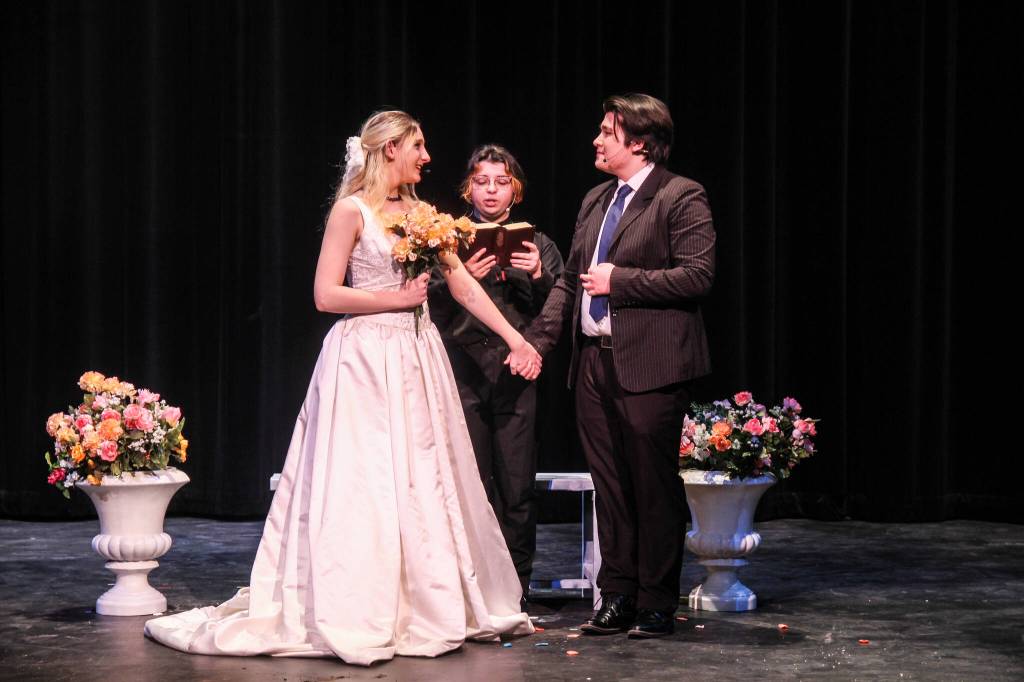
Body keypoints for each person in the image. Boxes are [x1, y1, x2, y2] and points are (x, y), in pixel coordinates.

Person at [145, 110, 540, 666]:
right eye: (418, 147)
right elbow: (326, 296)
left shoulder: (425, 214)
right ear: (388, 151)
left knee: (422, 476)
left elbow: (463, 285)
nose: (427, 157)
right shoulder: (350, 212)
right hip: (362, 357)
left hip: (416, 355)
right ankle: (359, 602)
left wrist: (514, 340)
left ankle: (425, 601)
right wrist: (393, 300)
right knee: (366, 479)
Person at [524, 94, 716, 638]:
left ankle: (657, 601)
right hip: (593, 364)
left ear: (639, 141)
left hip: (651, 366)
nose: (596, 140)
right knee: (609, 487)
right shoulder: (595, 200)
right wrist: (540, 340)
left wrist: (621, 281)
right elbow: (571, 279)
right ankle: (618, 595)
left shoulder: (680, 195)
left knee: (652, 489)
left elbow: (698, 275)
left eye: (607, 131)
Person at [428, 145, 564, 602]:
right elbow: (424, 302)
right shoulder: (446, 239)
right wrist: (460, 274)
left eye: (501, 182)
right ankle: (471, 588)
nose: (490, 190)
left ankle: (515, 588)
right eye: (482, 181)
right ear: (468, 186)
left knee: (516, 486)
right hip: (463, 369)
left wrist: (541, 275)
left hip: (515, 373)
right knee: (469, 483)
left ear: (516, 189)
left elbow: (560, 310)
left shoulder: (538, 243)